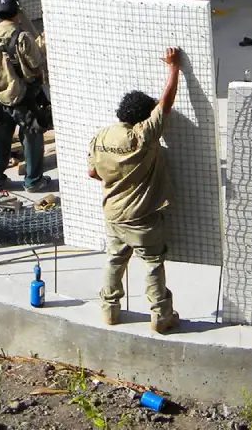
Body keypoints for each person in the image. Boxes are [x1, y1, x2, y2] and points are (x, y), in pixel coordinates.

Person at [88, 48, 181, 332]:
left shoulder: (102, 135)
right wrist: (173, 69)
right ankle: (160, 316)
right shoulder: (143, 136)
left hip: (113, 215)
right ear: (141, 117)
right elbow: (164, 105)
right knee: (152, 264)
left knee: (114, 261)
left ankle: (110, 310)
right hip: (142, 218)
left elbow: (92, 172)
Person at [0, 0, 53, 194]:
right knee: (32, 135)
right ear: (17, 12)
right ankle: (33, 180)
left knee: (0, 136)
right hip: (22, 96)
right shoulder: (22, 38)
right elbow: (35, 65)